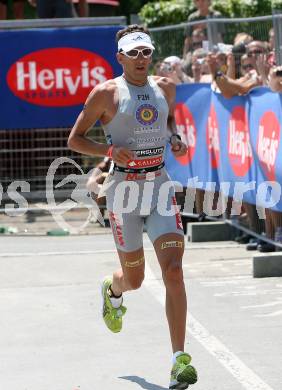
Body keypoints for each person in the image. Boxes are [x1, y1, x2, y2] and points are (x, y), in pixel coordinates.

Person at [68, 24, 198, 390]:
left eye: (146, 51)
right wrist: (108, 151)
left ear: (151, 54)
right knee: (136, 279)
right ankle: (113, 290)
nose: (141, 58)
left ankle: (179, 361)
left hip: (158, 186)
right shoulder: (105, 93)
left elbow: (167, 118)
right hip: (123, 189)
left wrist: (173, 138)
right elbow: (75, 138)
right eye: (133, 52)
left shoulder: (165, 87)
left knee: (173, 271)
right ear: (120, 57)